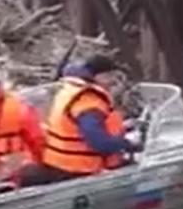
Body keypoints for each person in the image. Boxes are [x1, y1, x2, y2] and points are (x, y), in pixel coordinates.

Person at [31, 54, 139, 184]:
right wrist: (128, 143)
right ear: (99, 76)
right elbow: (99, 143)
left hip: (60, 162)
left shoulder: (70, 89)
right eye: (110, 76)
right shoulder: (88, 102)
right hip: (78, 169)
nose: (113, 82)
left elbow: (76, 127)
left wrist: (124, 127)